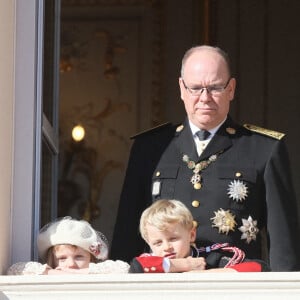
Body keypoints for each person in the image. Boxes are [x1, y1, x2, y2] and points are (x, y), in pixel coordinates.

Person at [111, 45, 300, 271]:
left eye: (215, 88)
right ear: (181, 88)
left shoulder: (263, 150)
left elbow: (283, 243)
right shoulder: (149, 148)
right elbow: (126, 233)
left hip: (234, 288)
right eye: (196, 88)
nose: (205, 97)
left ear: (231, 89)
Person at [129, 199, 269, 273]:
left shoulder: (209, 259)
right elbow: (137, 267)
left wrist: (208, 275)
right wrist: (185, 264)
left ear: (191, 235)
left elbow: (259, 267)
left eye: (173, 239)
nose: (166, 247)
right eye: (158, 243)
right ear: (148, 242)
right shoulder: (149, 262)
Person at [7, 217, 129, 275]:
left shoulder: (96, 274)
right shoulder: (49, 273)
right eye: (62, 258)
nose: (71, 264)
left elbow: (124, 268)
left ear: (91, 258)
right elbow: (14, 270)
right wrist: (53, 273)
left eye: (79, 257)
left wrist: (82, 273)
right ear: (52, 260)